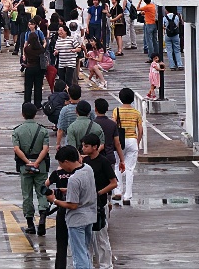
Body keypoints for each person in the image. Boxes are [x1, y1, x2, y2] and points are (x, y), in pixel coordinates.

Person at [45, 146, 96, 269]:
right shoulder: (88, 169)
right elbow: (84, 189)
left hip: (77, 220)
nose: (61, 167)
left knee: (79, 255)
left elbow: (73, 205)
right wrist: (67, 190)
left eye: (61, 164)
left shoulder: (74, 179)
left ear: (66, 161)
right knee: (85, 251)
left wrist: (54, 200)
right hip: (90, 216)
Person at [13, 103, 51, 236]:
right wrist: (37, 162)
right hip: (40, 166)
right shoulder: (42, 130)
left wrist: (28, 162)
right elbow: (45, 148)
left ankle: (30, 224)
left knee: (27, 195)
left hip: (25, 166)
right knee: (42, 192)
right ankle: (42, 219)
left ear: (23, 114)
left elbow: (16, 149)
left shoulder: (17, 131)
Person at [81, 133, 117, 269]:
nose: (83, 148)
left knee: (101, 237)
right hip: (87, 205)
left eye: (86, 146)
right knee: (88, 238)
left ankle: (106, 265)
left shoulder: (103, 162)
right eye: (83, 146)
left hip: (100, 205)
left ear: (95, 147)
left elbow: (113, 183)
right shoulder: (85, 162)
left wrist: (98, 193)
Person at [112, 88, 143, 205]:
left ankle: (118, 191)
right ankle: (127, 196)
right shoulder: (136, 113)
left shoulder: (116, 111)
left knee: (117, 166)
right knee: (130, 169)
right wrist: (137, 141)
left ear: (120, 98)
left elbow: (113, 126)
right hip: (132, 140)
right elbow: (140, 129)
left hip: (120, 141)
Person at [22, 32, 46, 107]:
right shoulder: (41, 49)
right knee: (38, 87)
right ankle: (37, 103)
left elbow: (26, 56)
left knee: (28, 86)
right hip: (39, 68)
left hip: (29, 68)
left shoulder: (27, 49)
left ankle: (27, 102)